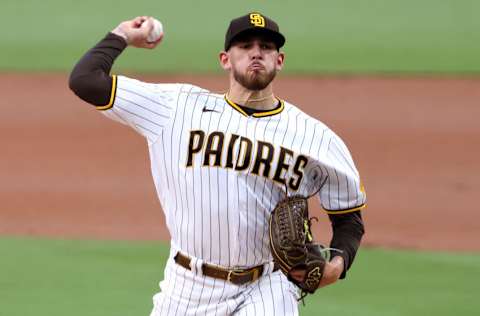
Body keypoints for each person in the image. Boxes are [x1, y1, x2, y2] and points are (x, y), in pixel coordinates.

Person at [69, 12, 366, 316]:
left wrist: (337, 265)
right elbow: (85, 80)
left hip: (267, 286)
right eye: (245, 46)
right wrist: (122, 35)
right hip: (187, 284)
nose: (256, 52)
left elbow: (349, 218)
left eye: (266, 47)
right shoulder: (175, 107)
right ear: (225, 59)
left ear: (279, 60)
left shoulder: (316, 137)